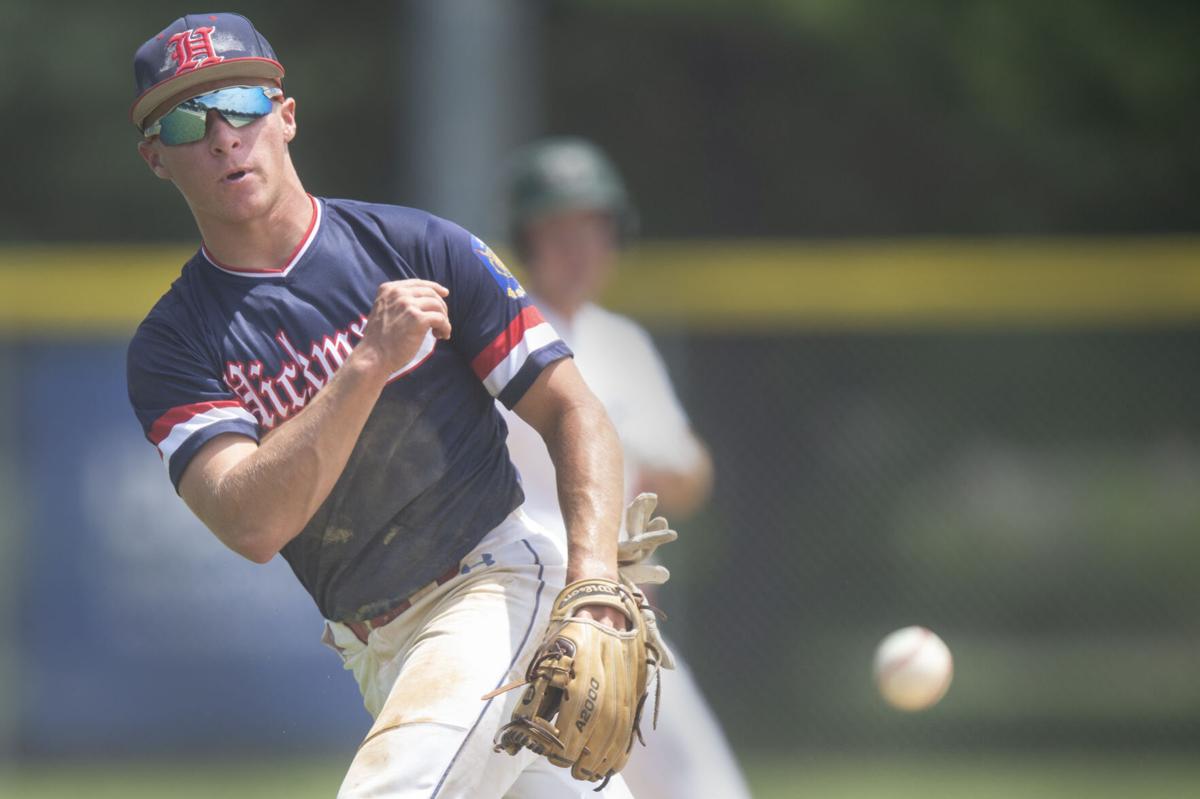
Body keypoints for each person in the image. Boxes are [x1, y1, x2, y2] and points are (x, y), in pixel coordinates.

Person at [125, 14, 641, 798]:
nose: (224, 135)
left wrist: (594, 580)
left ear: (286, 116)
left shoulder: (418, 246)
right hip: (378, 650)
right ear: (155, 156)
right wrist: (367, 362)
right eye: (188, 117)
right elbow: (250, 522)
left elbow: (572, 408)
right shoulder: (173, 346)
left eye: (241, 101)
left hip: (495, 585)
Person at [499, 138, 752, 799]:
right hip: (533, 636)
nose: (579, 247)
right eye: (559, 229)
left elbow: (691, 476)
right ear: (528, 238)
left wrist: (661, 458)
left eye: (593, 228)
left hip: (629, 633)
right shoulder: (503, 338)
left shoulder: (623, 343)